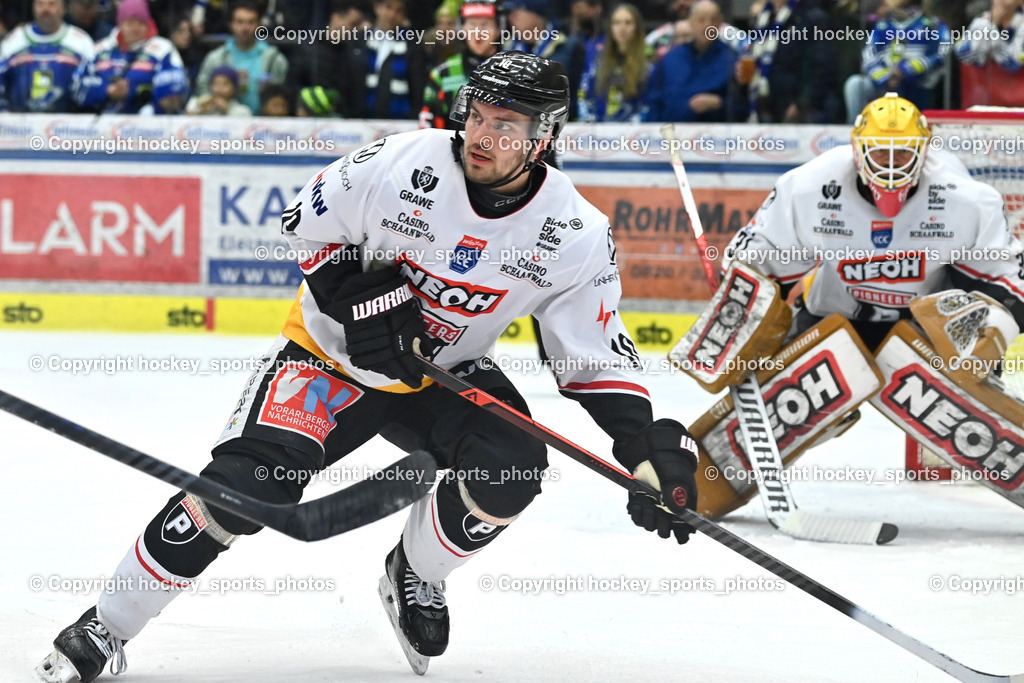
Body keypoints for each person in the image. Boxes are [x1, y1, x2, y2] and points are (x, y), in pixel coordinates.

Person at [35, 51, 700, 682]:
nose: (481, 133)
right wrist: (367, 302)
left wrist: (645, 447)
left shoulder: (574, 233)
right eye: (477, 114)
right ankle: (105, 626)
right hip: (329, 356)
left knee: (514, 464)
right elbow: (307, 225)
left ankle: (415, 571)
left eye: (506, 125)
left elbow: (593, 354)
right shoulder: (402, 161)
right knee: (244, 486)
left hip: (444, 370)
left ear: (542, 138)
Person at [724, 92, 1024, 352]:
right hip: (832, 319)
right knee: (775, 402)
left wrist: (996, 331)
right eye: (880, 152)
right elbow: (760, 258)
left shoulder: (965, 199)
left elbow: (1007, 278)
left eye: (902, 153)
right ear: (858, 150)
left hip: (928, 331)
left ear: (923, 152)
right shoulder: (807, 187)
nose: (891, 165)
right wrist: (735, 293)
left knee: (972, 405)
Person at [72, 0, 189, 115]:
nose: (135, 28)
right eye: (130, 23)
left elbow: (176, 86)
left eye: (141, 22)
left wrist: (133, 90)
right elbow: (77, 86)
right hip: (100, 125)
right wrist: (107, 90)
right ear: (120, 24)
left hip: (150, 124)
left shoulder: (163, 49)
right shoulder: (99, 49)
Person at [843, 0, 950, 122]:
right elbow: (869, 56)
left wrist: (910, 69)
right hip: (884, 88)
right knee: (856, 84)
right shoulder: (882, 25)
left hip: (919, 85)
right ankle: (855, 131)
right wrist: (886, 77)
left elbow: (944, 52)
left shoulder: (932, 24)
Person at [643, 0, 733, 122]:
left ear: (720, 23)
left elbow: (743, 108)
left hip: (712, 137)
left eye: (713, 20)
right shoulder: (670, 59)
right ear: (690, 22)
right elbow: (654, 101)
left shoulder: (731, 59)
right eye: (701, 20)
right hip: (670, 136)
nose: (708, 25)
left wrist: (719, 103)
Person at [419, 0, 504, 130]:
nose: (478, 32)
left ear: (498, 30)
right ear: (462, 29)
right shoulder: (442, 74)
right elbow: (427, 132)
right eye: (472, 25)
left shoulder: (514, 72)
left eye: (485, 25)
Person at [194, 0, 289, 115]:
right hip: (224, 126)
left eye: (251, 22)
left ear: (259, 24)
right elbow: (203, 93)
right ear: (231, 24)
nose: (245, 28)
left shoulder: (275, 59)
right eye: (240, 22)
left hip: (265, 127)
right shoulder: (215, 58)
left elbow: (282, 98)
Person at [0, 0, 94, 112]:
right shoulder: (15, 39)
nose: (45, 9)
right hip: (19, 124)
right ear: (33, 7)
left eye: (51, 4)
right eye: (40, 4)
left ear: (63, 9)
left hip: (68, 124)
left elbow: (91, 83)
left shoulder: (80, 40)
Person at [579, 3, 652, 122]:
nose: (622, 27)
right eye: (617, 23)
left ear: (637, 27)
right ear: (610, 27)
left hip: (633, 134)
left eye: (628, 23)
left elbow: (649, 105)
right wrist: (588, 121)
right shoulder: (597, 62)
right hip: (597, 133)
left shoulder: (648, 65)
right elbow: (584, 95)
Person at [184, 64, 250, 115]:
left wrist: (227, 111)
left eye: (225, 84)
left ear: (234, 88)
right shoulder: (199, 104)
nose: (219, 88)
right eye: (215, 83)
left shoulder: (242, 111)